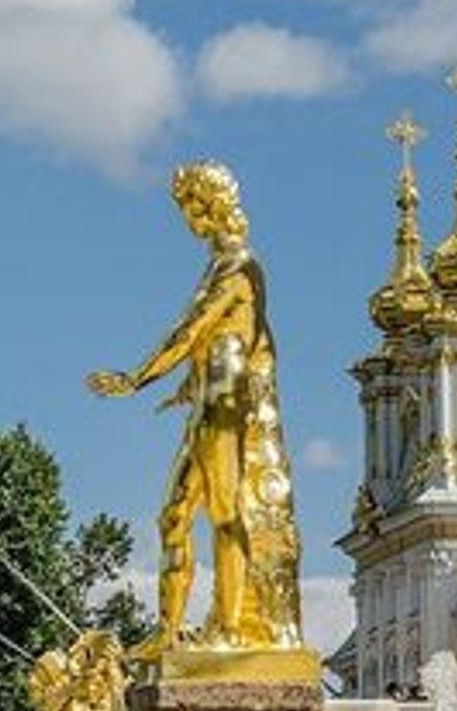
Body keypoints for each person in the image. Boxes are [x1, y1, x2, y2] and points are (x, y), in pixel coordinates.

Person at [88, 161, 303, 658]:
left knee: (226, 512)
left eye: (190, 206)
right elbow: (240, 341)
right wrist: (191, 382)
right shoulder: (220, 264)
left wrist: (136, 378)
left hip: (226, 408)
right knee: (174, 517)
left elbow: (192, 330)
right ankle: (168, 632)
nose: (188, 217)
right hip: (208, 403)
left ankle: (228, 629)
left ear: (209, 206)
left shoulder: (240, 266)